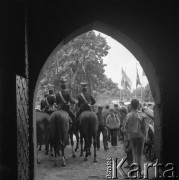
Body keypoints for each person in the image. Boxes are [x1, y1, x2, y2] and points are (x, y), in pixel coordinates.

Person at [126, 99, 147, 176]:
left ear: (131, 105)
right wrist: (145, 136)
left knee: (135, 153)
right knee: (139, 154)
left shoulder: (128, 115)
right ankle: (139, 170)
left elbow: (126, 127)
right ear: (138, 105)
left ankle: (136, 170)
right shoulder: (141, 114)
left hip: (132, 137)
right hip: (140, 136)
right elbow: (144, 127)